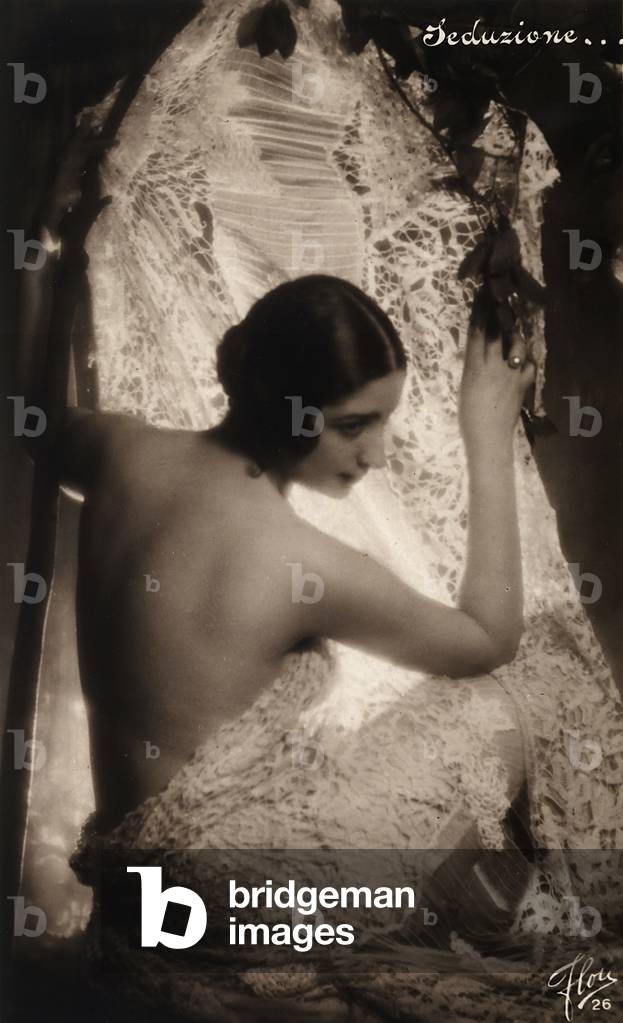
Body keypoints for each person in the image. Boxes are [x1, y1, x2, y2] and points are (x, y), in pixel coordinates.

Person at [17, 124, 532, 835]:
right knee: (514, 700)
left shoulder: (123, 454)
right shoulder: (299, 564)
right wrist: (486, 436)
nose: (375, 454)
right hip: (228, 903)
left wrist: (39, 238)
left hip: (133, 894)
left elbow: (34, 419)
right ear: (283, 408)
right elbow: (488, 639)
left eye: (382, 423)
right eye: (352, 426)